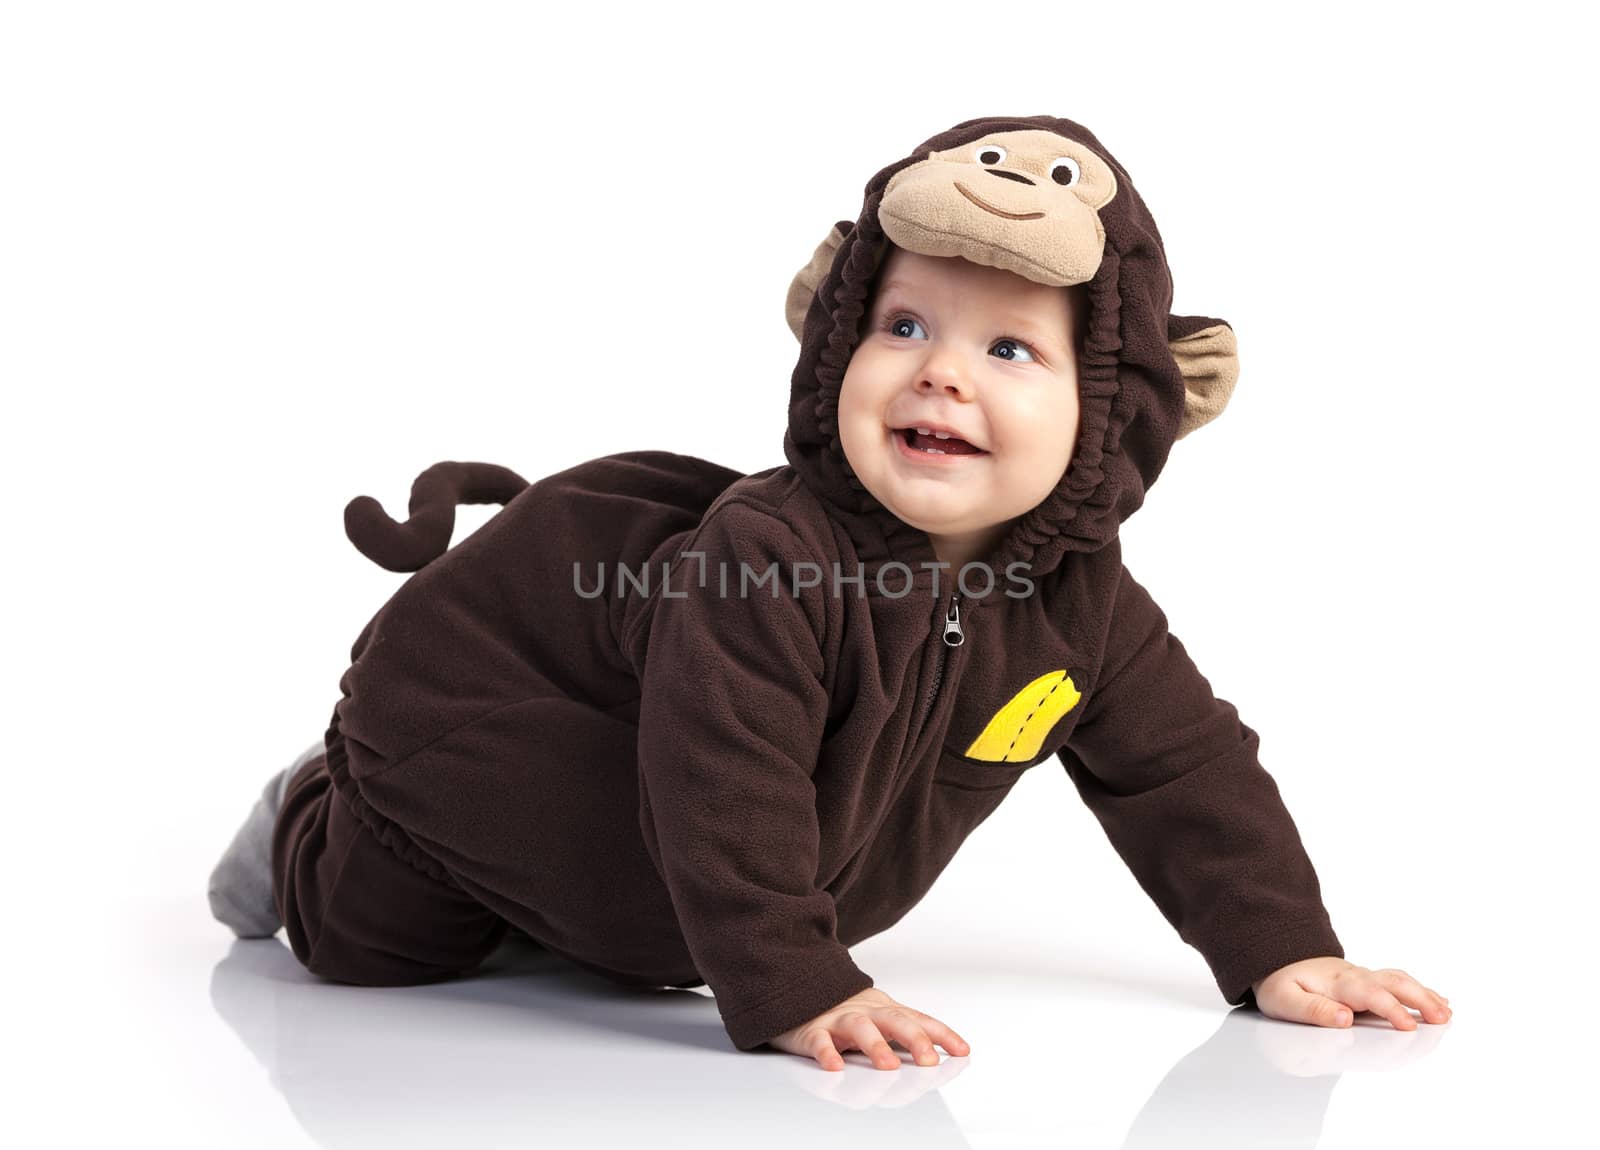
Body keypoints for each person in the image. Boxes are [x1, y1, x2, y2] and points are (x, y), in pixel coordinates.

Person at [208, 113, 1451, 1072]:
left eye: (1008, 348)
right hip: (465, 754)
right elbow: (721, 773)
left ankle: (569, 919)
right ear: (835, 341)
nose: (941, 376)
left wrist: (1282, 942)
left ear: (1110, 408)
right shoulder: (769, 552)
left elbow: (1184, 772)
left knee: (597, 934)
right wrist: (797, 980)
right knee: (374, 948)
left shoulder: (1087, 609)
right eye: (904, 326)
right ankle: (316, 808)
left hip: (648, 879)